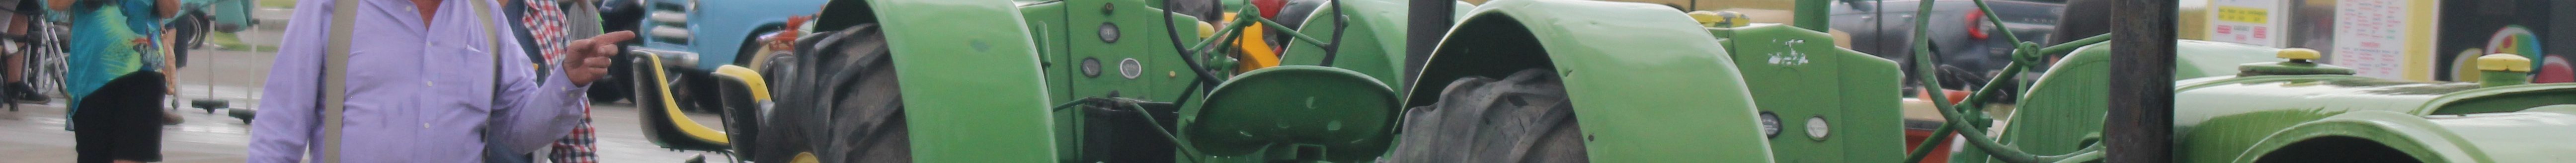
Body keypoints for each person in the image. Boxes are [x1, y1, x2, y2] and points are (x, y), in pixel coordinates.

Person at [245, 0, 627, 162]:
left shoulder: (484, 18)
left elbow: (519, 127)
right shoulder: (334, 9)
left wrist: (567, 82)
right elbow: (279, 129)